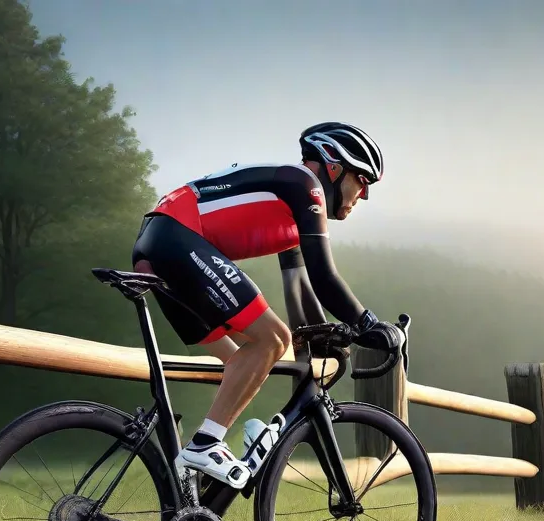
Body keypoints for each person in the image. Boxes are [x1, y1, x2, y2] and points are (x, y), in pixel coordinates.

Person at [130, 121, 403, 489]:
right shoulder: (305, 187)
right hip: (176, 237)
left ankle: (190, 492)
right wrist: (368, 324)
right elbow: (325, 277)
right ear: (334, 168)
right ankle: (206, 443)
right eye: (362, 180)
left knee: (243, 362)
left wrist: (318, 336)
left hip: (161, 243)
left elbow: (300, 286)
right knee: (272, 340)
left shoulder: (292, 206)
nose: (364, 195)